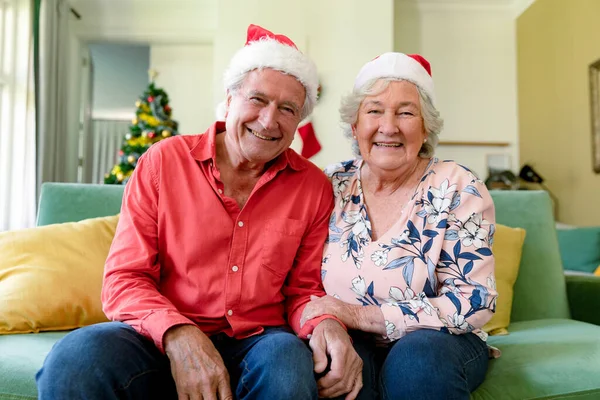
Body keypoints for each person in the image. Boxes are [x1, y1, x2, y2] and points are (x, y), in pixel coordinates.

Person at [36, 24, 363, 400]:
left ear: (298, 123)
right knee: (75, 360)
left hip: (260, 341)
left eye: (287, 109)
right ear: (230, 98)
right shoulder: (164, 161)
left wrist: (325, 323)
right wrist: (179, 332)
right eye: (258, 99)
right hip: (162, 334)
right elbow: (125, 278)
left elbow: (303, 290)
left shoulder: (312, 186)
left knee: (287, 365)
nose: (269, 120)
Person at [300, 52, 498, 400]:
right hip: (348, 335)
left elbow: (474, 301)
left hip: (439, 341)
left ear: (426, 128)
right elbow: (301, 282)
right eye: (374, 110)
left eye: (406, 112)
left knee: (416, 359)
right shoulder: (330, 182)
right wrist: (331, 323)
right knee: (335, 368)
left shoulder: (456, 185)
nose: (388, 126)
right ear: (355, 126)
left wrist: (359, 315)